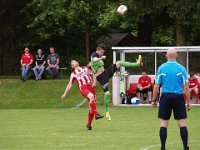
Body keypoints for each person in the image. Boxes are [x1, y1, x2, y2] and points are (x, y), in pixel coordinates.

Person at [152, 48, 191, 150]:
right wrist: (188, 102)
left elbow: (156, 86)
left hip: (165, 97)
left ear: (166, 55)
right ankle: (185, 147)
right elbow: (186, 87)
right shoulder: (181, 68)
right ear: (177, 55)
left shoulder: (161, 68)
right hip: (178, 97)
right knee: (182, 123)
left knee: (164, 124)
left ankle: (163, 147)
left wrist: (153, 100)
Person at [90, 46, 143, 120]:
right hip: (102, 78)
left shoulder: (99, 59)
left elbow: (98, 68)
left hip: (105, 73)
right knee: (107, 94)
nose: (102, 54)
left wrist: (117, 72)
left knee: (119, 63)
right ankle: (107, 112)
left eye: (103, 52)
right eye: (102, 52)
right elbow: (95, 60)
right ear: (98, 51)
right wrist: (101, 58)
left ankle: (137, 63)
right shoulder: (94, 54)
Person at [61, 60, 103, 130]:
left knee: (92, 106)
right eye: (73, 62)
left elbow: (92, 74)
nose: (75, 62)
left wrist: (94, 82)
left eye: (75, 61)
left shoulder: (85, 68)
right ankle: (96, 114)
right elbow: (70, 84)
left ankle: (89, 124)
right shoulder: (73, 73)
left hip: (90, 86)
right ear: (72, 66)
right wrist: (64, 93)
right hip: (83, 87)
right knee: (91, 97)